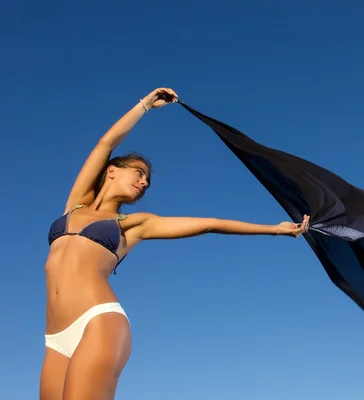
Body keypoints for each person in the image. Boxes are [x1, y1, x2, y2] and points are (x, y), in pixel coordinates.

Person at [40, 88, 310, 400]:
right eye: (139, 173)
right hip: (55, 337)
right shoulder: (74, 205)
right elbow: (106, 143)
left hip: (97, 322)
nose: (144, 183)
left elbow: (208, 224)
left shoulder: (133, 225)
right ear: (111, 171)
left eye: (147, 182)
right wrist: (145, 105)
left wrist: (273, 229)